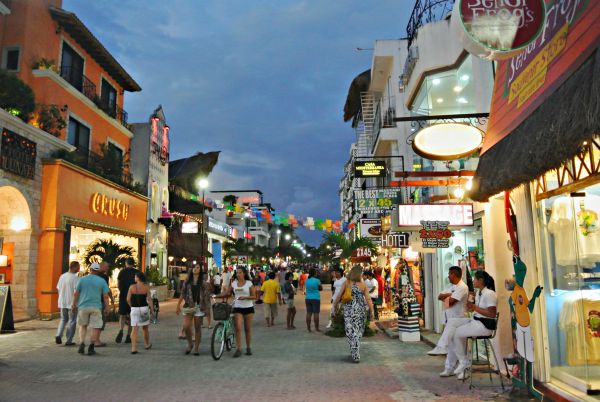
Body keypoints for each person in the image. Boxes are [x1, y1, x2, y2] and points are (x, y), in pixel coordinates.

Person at [439, 270, 497, 379]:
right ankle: (461, 364)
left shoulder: (489, 294)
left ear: (481, 280)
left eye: (475, 279)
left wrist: (475, 308)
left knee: (456, 334)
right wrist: (472, 308)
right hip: (474, 321)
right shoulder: (479, 293)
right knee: (454, 333)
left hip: (483, 325)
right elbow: (441, 298)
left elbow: (492, 314)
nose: (473, 281)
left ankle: (464, 363)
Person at [333, 266, 374, 363]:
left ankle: (354, 352)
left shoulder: (346, 283)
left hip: (348, 310)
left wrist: (335, 306)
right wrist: (371, 311)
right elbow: (368, 299)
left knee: (350, 331)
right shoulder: (363, 285)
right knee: (358, 331)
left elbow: (338, 296)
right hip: (359, 310)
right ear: (359, 274)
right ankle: (355, 352)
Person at [214, 266, 256, 357]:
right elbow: (227, 293)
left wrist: (245, 297)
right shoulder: (234, 283)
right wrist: (216, 296)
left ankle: (248, 347)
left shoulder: (249, 283)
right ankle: (238, 348)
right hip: (238, 308)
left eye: (240, 272)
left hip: (248, 308)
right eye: (237, 272)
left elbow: (254, 296)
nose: (238, 274)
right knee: (238, 328)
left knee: (247, 329)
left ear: (244, 273)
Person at [428, 266, 469, 355]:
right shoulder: (449, 286)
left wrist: (447, 298)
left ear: (454, 274)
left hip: (458, 318)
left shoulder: (462, 287)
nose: (448, 276)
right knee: (451, 344)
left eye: (449, 274)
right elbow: (439, 296)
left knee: (457, 344)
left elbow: (450, 303)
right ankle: (449, 366)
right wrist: (449, 294)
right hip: (449, 317)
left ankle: (461, 363)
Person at [72, 262, 110, 356]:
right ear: (98, 271)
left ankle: (81, 343)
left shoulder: (82, 280)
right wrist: (107, 307)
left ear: (90, 269)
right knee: (96, 326)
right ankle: (91, 346)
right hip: (96, 307)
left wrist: (73, 305)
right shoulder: (102, 281)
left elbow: (76, 293)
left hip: (83, 306)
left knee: (83, 326)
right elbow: (105, 296)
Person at [176, 265, 206, 355]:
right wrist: (178, 305)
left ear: (200, 271)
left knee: (197, 328)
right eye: (194, 267)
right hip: (189, 306)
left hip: (199, 307)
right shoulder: (187, 281)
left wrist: (207, 309)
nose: (195, 269)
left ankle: (196, 348)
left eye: (197, 268)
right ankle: (190, 344)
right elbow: (182, 293)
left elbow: (206, 296)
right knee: (186, 326)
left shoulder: (203, 283)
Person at [127, 271, 153, 354]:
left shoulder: (132, 287)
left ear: (138, 278)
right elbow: (149, 300)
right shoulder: (146, 287)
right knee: (145, 328)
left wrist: (131, 306)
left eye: (135, 276)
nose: (134, 278)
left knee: (134, 329)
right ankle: (147, 344)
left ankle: (133, 348)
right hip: (144, 309)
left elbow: (128, 299)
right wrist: (152, 310)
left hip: (135, 309)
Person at [55, 261, 80, 346]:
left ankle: (58, 334)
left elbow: (58, 289)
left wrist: (61, 299)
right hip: (71, 303)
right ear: (74, 267)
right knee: (72, 321)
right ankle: (69, 340)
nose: (79, 269)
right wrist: (74, 304)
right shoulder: (75, 278)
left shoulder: (62, 276)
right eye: (78, 267)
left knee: (63, 319)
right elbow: (76, 292)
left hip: (62, 302)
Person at [116, 257, 137, 344]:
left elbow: (118, 283)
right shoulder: (137, 272)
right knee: (132, 316)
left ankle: (121, 330)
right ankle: (128, 336)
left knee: (122, 315)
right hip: (134, 296)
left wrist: (121, 290)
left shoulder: (122, 272)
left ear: (126, 263)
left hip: (123, 295)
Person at [203, 265, 214, 329]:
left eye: (207, 276)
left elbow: (212, 290)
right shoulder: (200, 283)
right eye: (205, 276)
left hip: (207, 299)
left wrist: (211, 283)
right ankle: (204, 324)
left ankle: (209, 324)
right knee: (203, 311)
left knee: (207, 311)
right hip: (201, 299)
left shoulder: (208, 283)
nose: (206, 277)